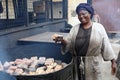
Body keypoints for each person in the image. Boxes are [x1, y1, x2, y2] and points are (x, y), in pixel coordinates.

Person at [52, 3, 116, 80]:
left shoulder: (99, 28)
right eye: (79, 14)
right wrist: (62, 40)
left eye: (84, 13)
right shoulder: (74, 29)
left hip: (93, 65)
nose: (81, 16)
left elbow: (106, 45)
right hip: (78, 64)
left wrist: (113, 62)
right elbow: (69, 44)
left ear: (90, 13)